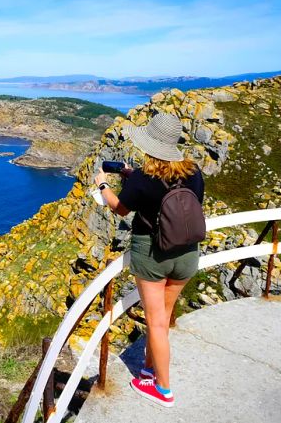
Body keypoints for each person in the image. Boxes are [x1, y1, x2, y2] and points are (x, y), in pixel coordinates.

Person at [93, 113, 204, 408]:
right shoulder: (194, 173)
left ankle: (163, 390)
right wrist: (132, 179)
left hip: (152, 255)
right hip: (186, 255)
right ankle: (148, 370)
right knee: (163, 318)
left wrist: (103, 186)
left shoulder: (144, 178)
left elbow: (120, 208)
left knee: (155, 322)